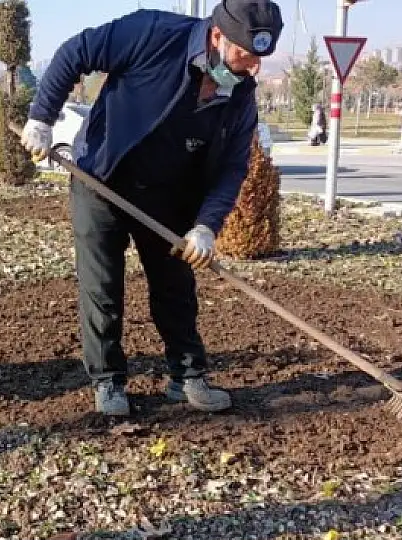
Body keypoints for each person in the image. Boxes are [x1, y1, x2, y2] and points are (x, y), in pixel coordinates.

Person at [19, 0, 284, 417]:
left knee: (175, 286)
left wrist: (206, 226)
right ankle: (108, 382)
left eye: (259, 57)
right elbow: (77, 52)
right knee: (103, 288)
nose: (251, 67)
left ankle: (187, 378)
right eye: (244, 54)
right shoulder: (152, 33)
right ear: (217, 35)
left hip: (169, 194)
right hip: (101, 180)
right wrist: (41, 117)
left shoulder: (239, 97)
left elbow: (233, 167)